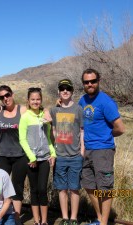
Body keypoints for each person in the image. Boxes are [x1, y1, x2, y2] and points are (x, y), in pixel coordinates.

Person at [79, 68, 125, 225]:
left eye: (93, 81)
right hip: (86, 149)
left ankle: (104, 223)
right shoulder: (82, 101)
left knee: (104, 187)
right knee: (89, 184)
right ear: (83, 84)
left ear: (98, 81)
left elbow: (120, 127)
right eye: (87, 82)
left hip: (103, 150)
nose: (90, 84)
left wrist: (106, 137)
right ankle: (99, 218)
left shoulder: (106, 102)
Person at [19, 87, 56, 225]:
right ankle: (36, 220)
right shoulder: (25, 117)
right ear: (28, 101)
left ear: (41, 100)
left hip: (45, 158)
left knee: (42, 189)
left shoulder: (45, 116)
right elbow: (22, 139)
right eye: (33, 99)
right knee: (34, 190)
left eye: (38, 99)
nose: (35, 101)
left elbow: (48, 137)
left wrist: (53, 153)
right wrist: (31, 157)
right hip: (31, 160)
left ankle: (44, 221)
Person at [49, 79, 84, 225]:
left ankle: (74, 218)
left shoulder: (78, 109)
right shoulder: (54, 110)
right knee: (62, 189)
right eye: (62, 88)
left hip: (75, 155)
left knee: (74, 189)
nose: (65, 91)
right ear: (58, 91)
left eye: (68, 89)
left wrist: (82, 151)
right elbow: (52, 129)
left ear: (72, 92)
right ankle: (65, 218)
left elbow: (82, 130)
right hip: (60, 157)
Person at [0, 85, 27, 224]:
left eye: (7, 95)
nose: (5, 98)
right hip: (2, 155)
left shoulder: (22, 110)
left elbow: (37, 113)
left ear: (12, 94)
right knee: (0, 187)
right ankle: (0, 215)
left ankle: (17, 217)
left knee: (17, 186)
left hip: (20, 155)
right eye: (1, 97)